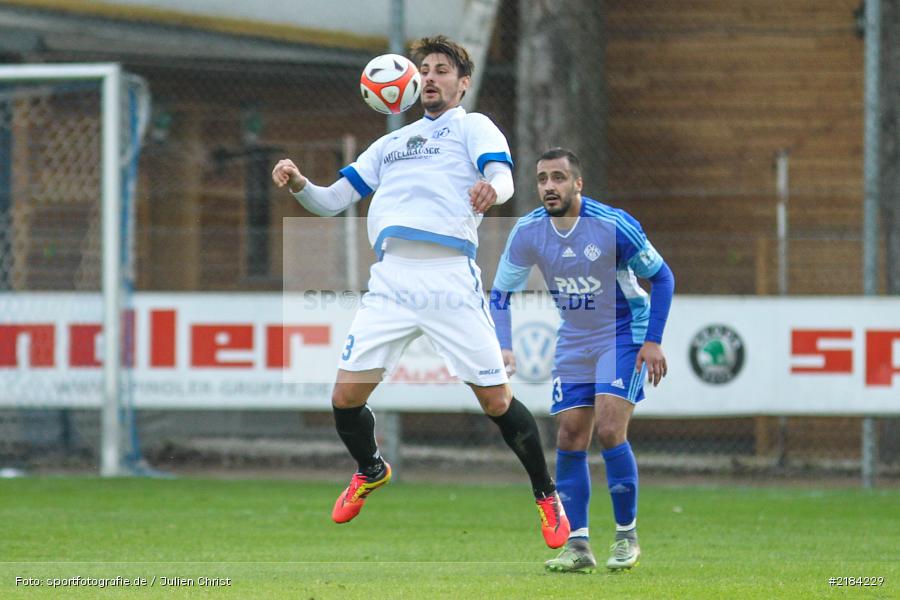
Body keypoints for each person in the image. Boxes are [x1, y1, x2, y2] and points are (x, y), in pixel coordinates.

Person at [271, 36, 569, 549]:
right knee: (344, 398)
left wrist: (489, 190)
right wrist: (299, 182)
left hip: (449, 278)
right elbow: (330, 202)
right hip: (390, 282)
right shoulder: (389, 145)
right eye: (424, 70)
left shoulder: (471, 126)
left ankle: (546, 495)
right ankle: (371, 468)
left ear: (462, 82)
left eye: (441, 70)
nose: (430, 77)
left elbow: (503, 177)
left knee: (497, 400)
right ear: (410, 83)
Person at [490, 148, 675, 572]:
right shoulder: (528, 231)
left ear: (578, 184)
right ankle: (578, 546)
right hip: (575, 338)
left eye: (558, 177)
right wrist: (504, 345)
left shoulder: (611, 225)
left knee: (610, 429)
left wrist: (654, 340)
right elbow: (500, 294)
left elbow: (662, 276)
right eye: (542, 179)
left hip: (622, 333)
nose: (549, 186)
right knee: (570, 437)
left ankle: (626, 537)